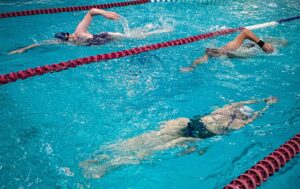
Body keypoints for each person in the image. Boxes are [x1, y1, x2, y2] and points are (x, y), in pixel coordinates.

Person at [80, 96, 278, 179]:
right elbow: (253, 114)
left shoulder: (228, 112)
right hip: (193, 132)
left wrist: (264, 102)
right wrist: (266, 103)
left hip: (189, 127)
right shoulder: (237, 123)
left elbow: (248, 108)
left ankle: (104, 161)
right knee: (149, 147)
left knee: (148, 142)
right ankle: (105, 162)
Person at [8, 8, 171, 55]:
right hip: (102, 42)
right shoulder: (67, 42)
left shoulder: (78, 33)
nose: (71, 37)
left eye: (69, 35)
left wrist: (104, 13)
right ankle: (150, 28)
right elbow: (40, 44)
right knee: (134, 36)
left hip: (107, 37)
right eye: (68, 38)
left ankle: (163, 30)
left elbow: (91, 11)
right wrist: (23, 49)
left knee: (135, 38)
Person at [180, 29, 287, 72]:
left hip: (259, 46)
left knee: (284, 42)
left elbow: (245, 32)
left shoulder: (231, 48)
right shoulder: (221, 54)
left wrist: (262, 44)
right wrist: (192, 66)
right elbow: (204, 57)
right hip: (254, 49)